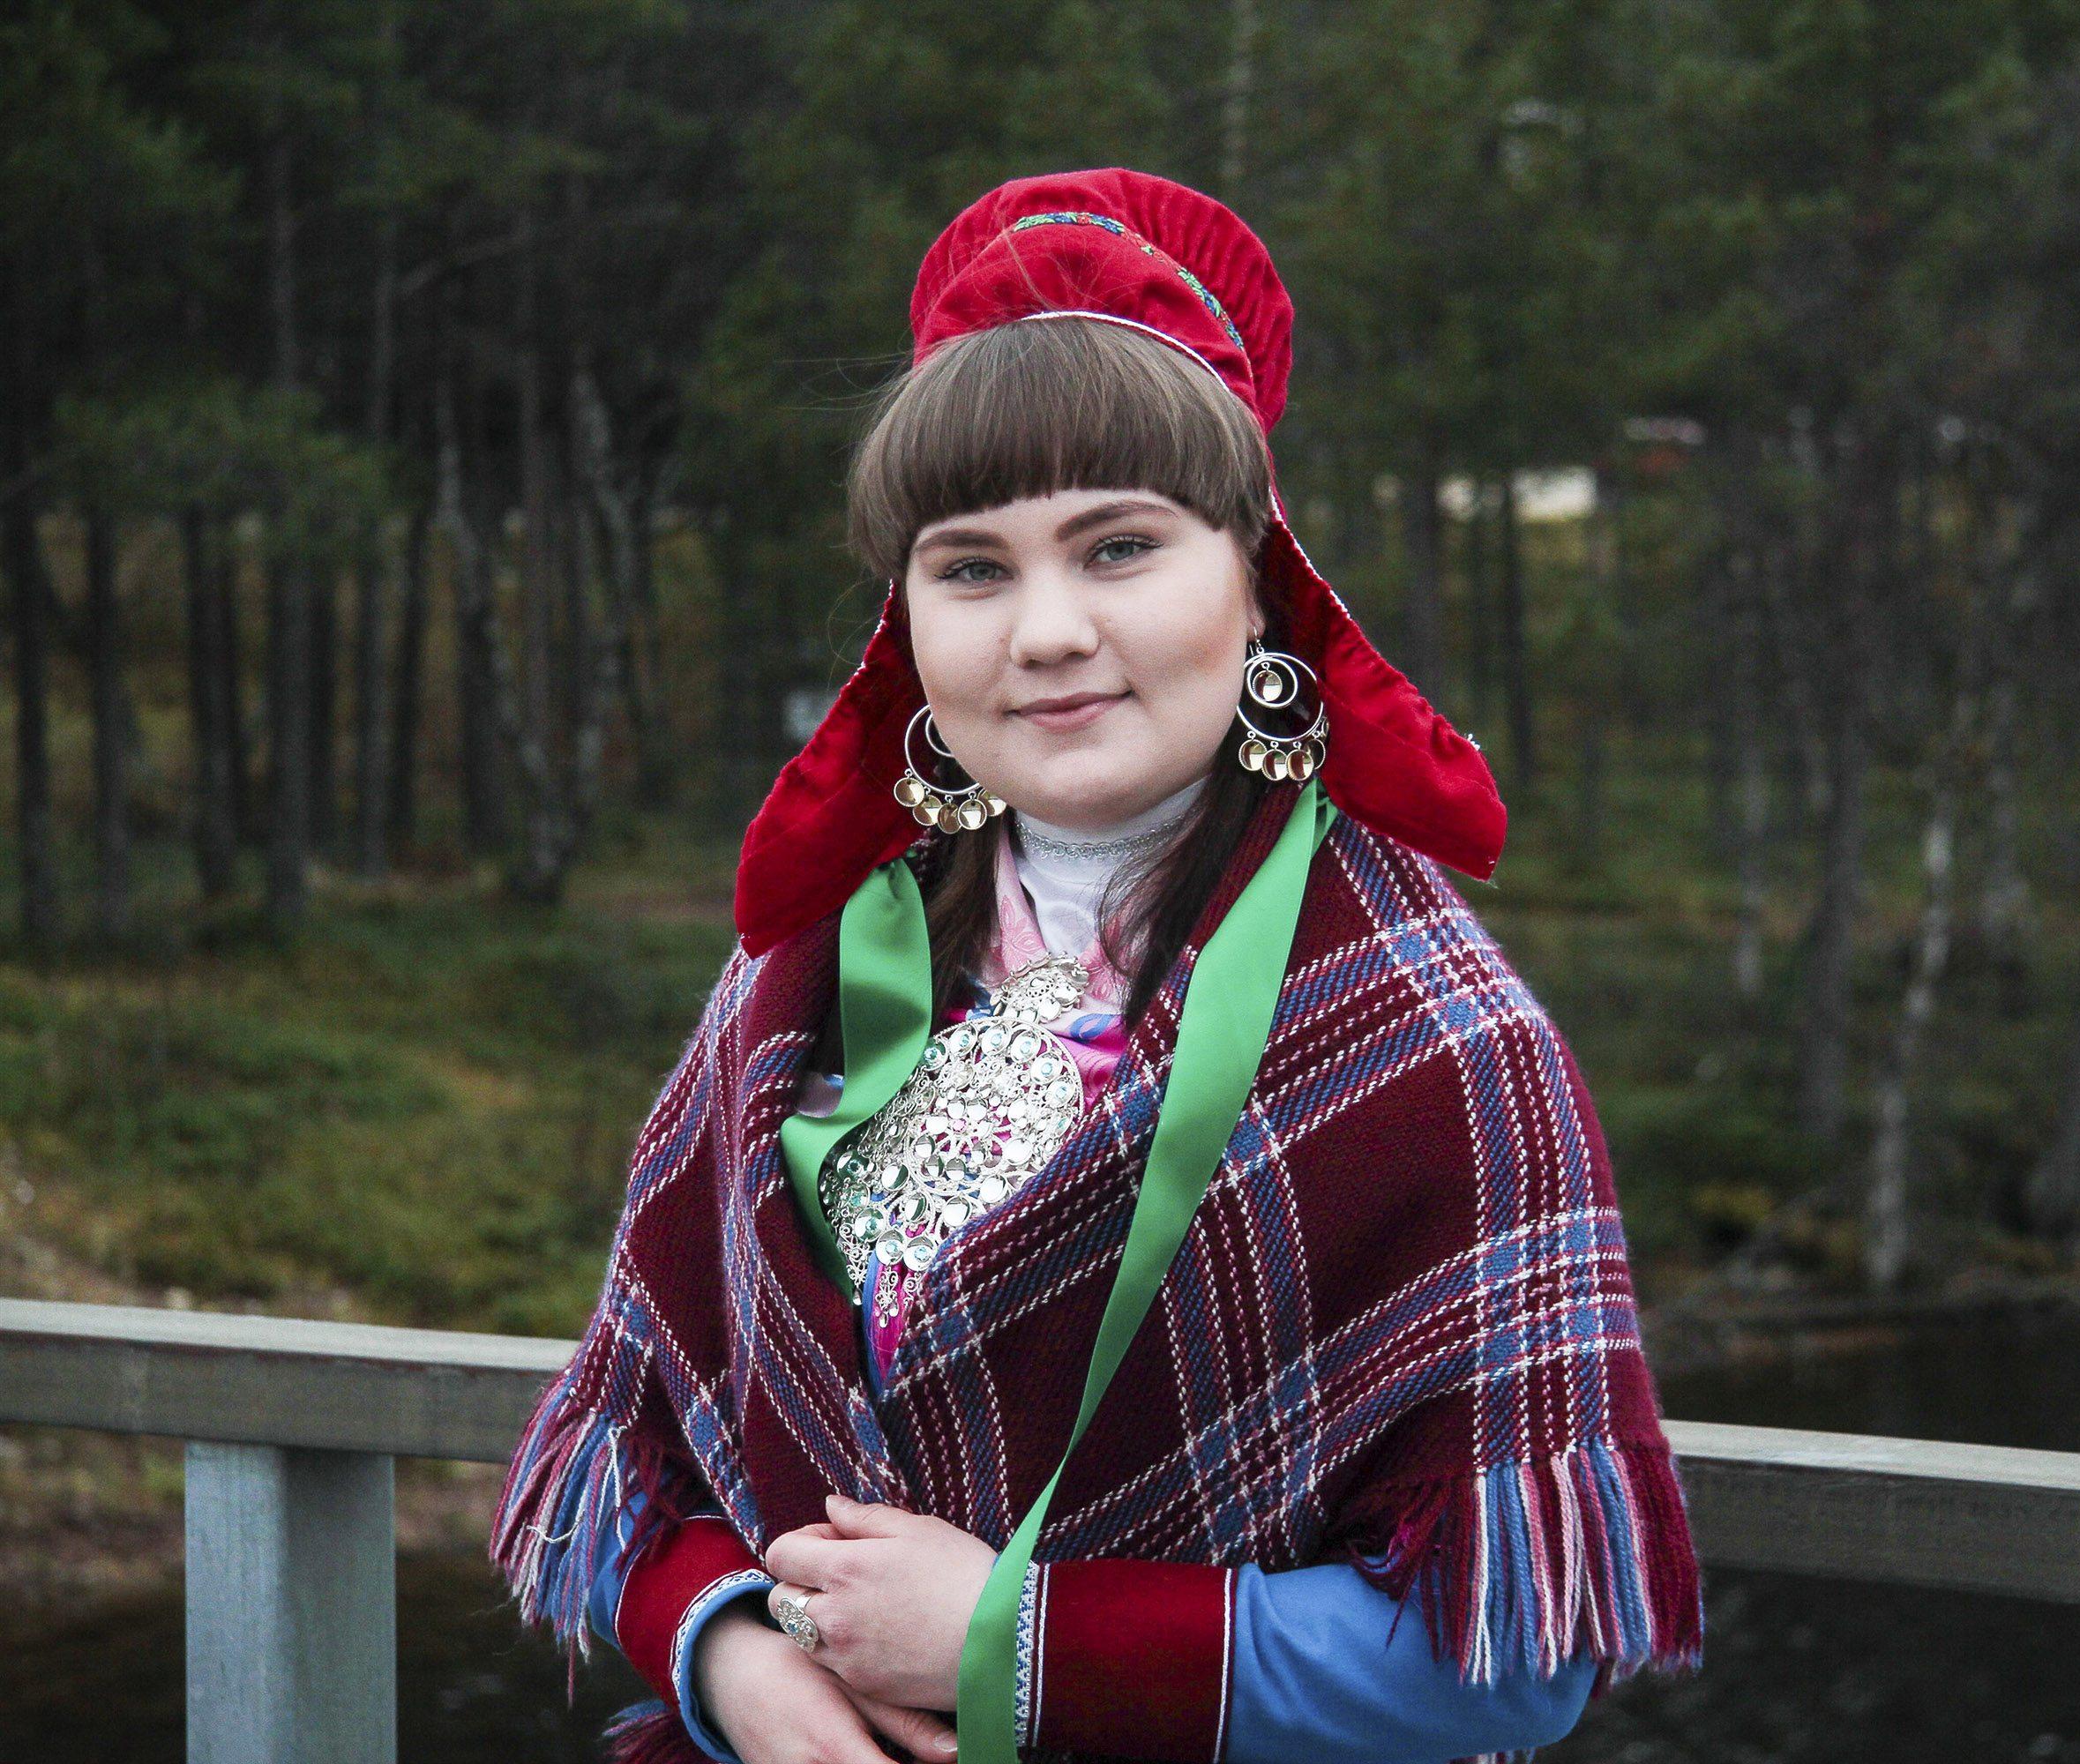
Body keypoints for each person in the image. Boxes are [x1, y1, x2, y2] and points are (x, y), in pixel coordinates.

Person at [493, 168, 1703, 1764]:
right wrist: (737, 1662)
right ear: (907, 623)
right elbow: (634, 1456)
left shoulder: (1437, 1042)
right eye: (973, 567)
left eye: (1117, 548)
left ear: (1260, 579)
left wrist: (1013, 1639)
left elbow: (1511, 1666)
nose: (1045, 630)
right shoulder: (796, 980)